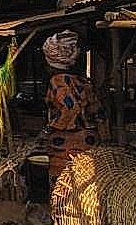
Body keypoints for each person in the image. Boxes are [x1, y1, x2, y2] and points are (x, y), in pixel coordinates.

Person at [39, 30, 106, 179]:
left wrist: (49, 129)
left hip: (66, 144)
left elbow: (70, 108)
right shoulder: (82, 82)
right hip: (89, 142)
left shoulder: (57, 82)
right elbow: (98, 111)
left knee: (64, 182)